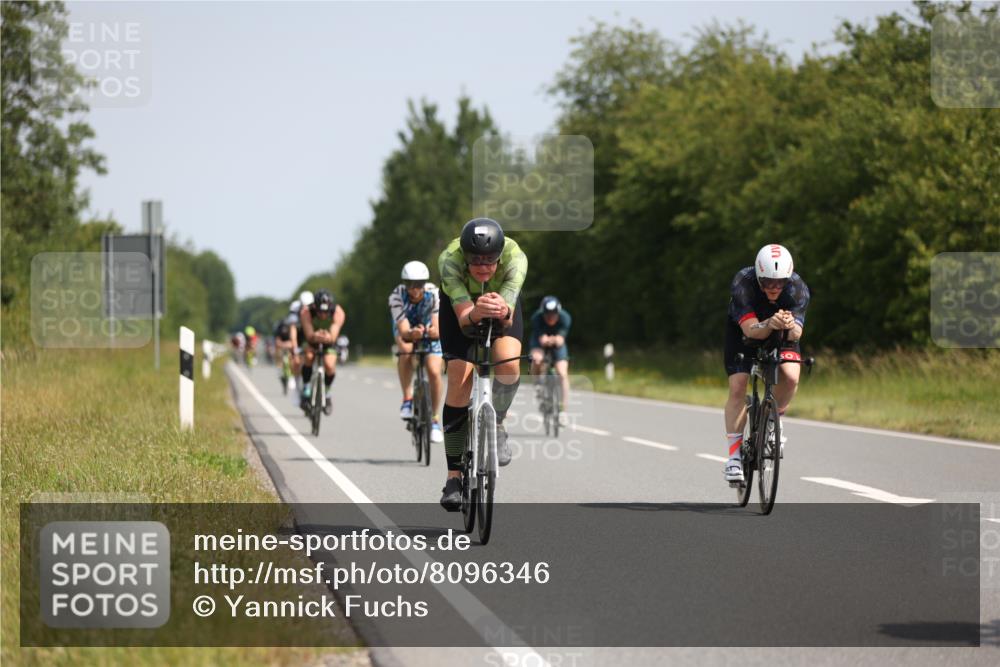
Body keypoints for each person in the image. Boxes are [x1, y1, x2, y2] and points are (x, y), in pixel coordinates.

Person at [437, 218, 527, 511]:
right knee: (459, 377)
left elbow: (508, 317)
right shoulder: (450, 261)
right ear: (464, 255)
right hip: (460, 308)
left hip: (501, 304)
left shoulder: (516, 258)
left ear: (500, 255)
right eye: (475, 260)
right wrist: (476, 311)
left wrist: (502, 310)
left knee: (509, 365)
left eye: (490, 260)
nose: (483, 266)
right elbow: (464, 319)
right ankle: (453, 477)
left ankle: (497, 422)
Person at [723, 244, 810, 483]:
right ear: (758, 277)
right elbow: (751, 331)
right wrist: (770, 323)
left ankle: (773, 421)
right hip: (744, 333)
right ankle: (733, 457)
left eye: (779, 282)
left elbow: (797, 334)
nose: (774, 287)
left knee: (790, 377)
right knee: (738, 385)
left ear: (788, 278)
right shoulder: (743, 283)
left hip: (780, 332)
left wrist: (789, 325)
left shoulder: (797, 288)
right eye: (768, 282)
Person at [389, 261, 446, 444]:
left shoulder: (434, 293)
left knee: (434, 370)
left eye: (419, 284)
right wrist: (411, 334)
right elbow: (404, 330)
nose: (414, 289)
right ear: (404, 284)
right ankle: (407, 399)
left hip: (428, 329)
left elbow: (437, 327)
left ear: (425, 283)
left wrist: (431, 331)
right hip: (406, 328)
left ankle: (434, 420)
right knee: (406, 351)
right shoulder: (396, 296)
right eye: (410, 284)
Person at [299, 289, 346, 416]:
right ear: (315, 307)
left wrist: (328, 337)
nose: (323, 315)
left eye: (326, 312)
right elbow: (309, 334)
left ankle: (327, 393)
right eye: (320, 312)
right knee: (309, 357)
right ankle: (306, 388)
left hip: (329, 341)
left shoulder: (338, 312)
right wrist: (315, 336)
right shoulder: (306, 312)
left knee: (329, 365)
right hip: (312, 340)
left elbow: (333, 334)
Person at [529, 296, 572, 425]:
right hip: (538, 341)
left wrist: (557, 339)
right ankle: (537, 383)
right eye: (547, 315)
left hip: (557, 342)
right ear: (543, 313)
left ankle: (563, 411)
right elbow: (541, 338)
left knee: (562, 373)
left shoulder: (565, 318)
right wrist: (544, 339)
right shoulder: (536, 318)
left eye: (554, 314)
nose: (551, 317)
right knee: (537, 359)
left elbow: (561, 339)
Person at [274, 300, 301, 392]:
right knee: (279, 356)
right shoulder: (280, 326)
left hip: (290, 343)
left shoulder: (295, 325)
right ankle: (280, 371)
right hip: (282, 343)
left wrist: (291, 345)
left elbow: (294, 340)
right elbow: (277, 340)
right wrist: (281, 344)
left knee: (292, 359)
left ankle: (292, 375)